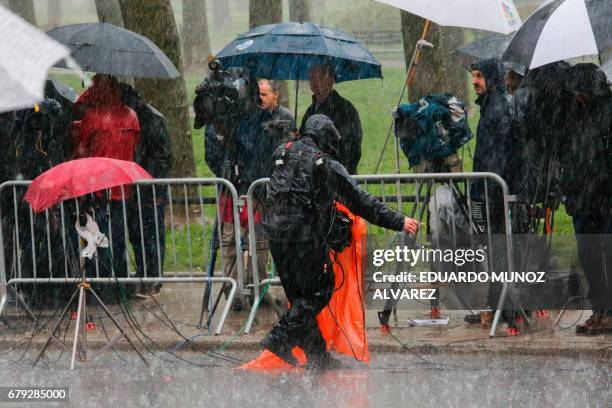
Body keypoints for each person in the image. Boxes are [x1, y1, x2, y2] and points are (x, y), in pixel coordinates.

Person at [261, 114, 419, 368]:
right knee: (320, 291)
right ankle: (280, 337)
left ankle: (317, 357)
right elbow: (359, 200)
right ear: (327, 138)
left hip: (276, 237)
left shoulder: (282, 152)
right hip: (304, 239)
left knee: (301, 298)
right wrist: (398, 221)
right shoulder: (324, 163)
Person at [204, 78, 296, 310]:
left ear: (275, 95)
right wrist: (228, 171)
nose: (260, 100)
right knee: (230, 241)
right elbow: (213, 153)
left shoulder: (277, 118)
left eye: (264, 95)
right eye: (257, 95)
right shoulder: (226, 118)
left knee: (260, 243)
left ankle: (258, 287)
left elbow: (274, 152)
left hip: (261, 191)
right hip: (231, 189)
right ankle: (233, 290)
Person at [72, 74, 140, 285]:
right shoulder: (131, 115)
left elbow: (81, 149)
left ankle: (102, 281)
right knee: (118, 236)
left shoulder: (93, 117)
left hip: (98, 187)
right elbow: (135, 147)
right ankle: (120, 281)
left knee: (97, 236)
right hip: (122, 186)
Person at [560, 64, 612, 335]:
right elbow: (572, 157)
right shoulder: (576, 115)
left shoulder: (608, 112)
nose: (578, 97)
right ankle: (600, 308)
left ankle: (609, 311)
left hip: (604, 197)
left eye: (581, 91)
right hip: (583, 198)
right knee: (589, 254)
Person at [466, 59, 516, 323]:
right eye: (473, 76)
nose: (474, 81)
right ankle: (496, 304)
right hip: (489, 189)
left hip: (494, 191)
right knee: (494, 248)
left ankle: (500, 306)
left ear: (491, 79)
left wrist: (489, 187)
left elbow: (499, 154)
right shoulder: (491, 106)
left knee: (497, 249)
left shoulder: (497, 108)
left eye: (479, 76)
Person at [120, 83, 171, 297]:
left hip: (147, 188)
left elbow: (162, 157)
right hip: (138, 187)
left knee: (149, 235)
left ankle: (152, 277)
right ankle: (146, 275)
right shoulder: (143, 117)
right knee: (141, 234)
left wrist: (152, 185)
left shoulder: (148, 120)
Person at [300, 64, 363, 174]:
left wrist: (339, 175)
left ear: (331, 80)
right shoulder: (310, 112)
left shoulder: (345, 109)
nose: (314, 84)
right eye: (311, 79)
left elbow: (352, 148)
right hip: (315, 178)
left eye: (319, 78)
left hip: (339, 178)